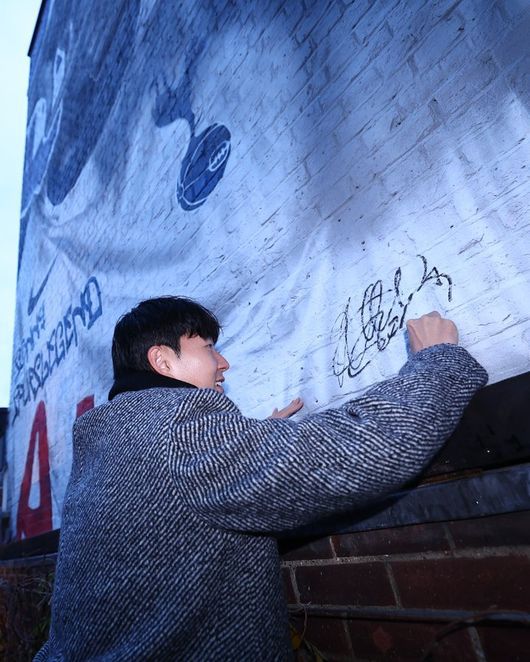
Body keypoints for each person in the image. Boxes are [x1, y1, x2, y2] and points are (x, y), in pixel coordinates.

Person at [35, 296, 487, 661]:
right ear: (163, 361)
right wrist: (437, 361)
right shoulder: (182, 434)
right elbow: (363, 450)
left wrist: (256, 440)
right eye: (207, 347)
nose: (223, 362)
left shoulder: (112, 444)